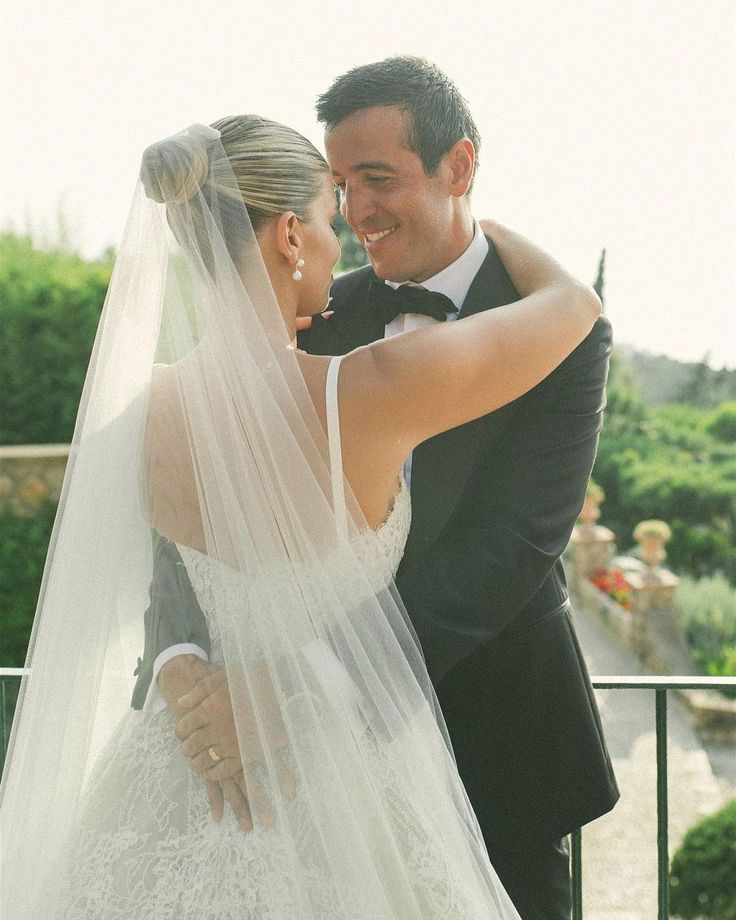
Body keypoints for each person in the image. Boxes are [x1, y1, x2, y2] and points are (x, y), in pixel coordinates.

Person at [0, 110, 598, 919]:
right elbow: (574, 305)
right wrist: (489, 226)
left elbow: (161, 565)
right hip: (355, 782)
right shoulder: (371, 389)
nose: (342, 234)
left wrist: (181, 668)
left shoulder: (140, 411)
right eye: (326, 215)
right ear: (288, 235)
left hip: (188, 769)